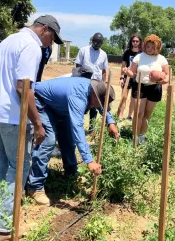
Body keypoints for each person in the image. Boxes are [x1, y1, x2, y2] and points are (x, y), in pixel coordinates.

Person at [0, 14, 63, 241]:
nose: (50, 45)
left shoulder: (9, 40)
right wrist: (37, 123)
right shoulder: (31, 46)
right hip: (11, 115)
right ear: (44, 29)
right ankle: (3, 227)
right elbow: (22, 87)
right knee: (18, 167)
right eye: (51, 39)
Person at [26, 76, 119, 205]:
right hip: (42, 103)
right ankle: (35, 187)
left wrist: (110, 122)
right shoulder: (78, 97)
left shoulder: (94, 89)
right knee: (48, 141)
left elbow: (101, 104)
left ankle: (71, 174)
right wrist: (89, 160)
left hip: (60, 107)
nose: (99, 107)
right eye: (99, 103)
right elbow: (78, 129)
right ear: (94, 95)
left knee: (68, 141)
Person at [125, 34, 169, 144]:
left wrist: (163, 81)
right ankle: (134, 137)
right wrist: (130, 74)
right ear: (145, 46)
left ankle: (142, 136)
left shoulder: (162, 59)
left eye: (153, 47)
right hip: (140, 86)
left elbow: (167, 76)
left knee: (147, 114)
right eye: (148, 47)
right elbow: (132, 71)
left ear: (157, 48)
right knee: (139, 113)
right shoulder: (139, 57)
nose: (150, 49)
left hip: (155, 88)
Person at [75, 33, 108, 132]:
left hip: (97, 83)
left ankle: (91, 129)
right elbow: (77, 66)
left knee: (94, 107)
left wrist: (103, 83)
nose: (97, 44)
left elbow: (104, 70)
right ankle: (77, 128)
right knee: (81, 105)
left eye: (99, 42)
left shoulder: (103, 54)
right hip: (84, 81)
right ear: (92, 40)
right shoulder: (83, 50)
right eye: (95, 41)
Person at [118, 34, 142, 120]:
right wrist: (121, 77)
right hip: (126, 76)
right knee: (124, 96)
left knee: (133, 98)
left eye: (137, 41)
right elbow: (123, 65)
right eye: (133, 41)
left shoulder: (142, 53)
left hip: (136, 77)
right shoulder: (127, 52)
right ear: (131, 42)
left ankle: (129, 116)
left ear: (140, 42)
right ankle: (120, 115)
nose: (135, 43)